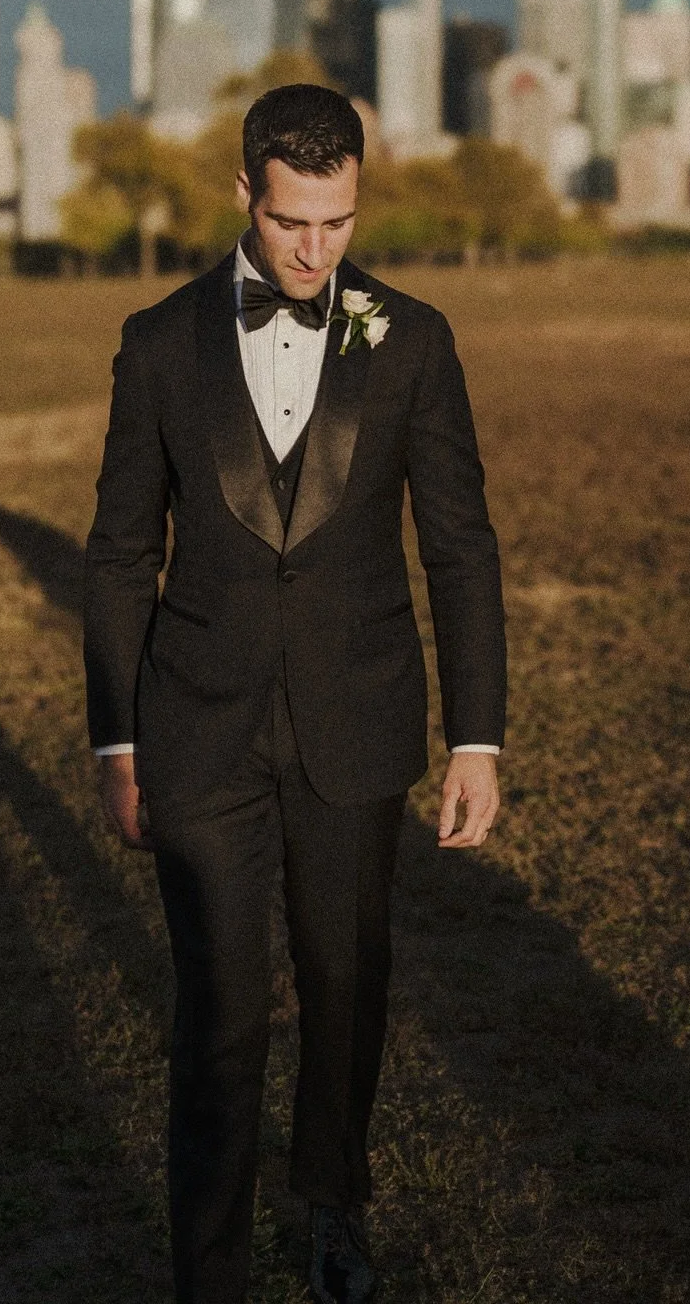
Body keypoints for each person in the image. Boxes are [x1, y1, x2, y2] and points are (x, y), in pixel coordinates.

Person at [83, 84, 507, 1304]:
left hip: (358, 719)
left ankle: (335, 1206)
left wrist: (478, 736)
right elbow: (119, 554)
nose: (317, 253)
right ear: (244, 197)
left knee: (344, 982)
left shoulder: (412, 338)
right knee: (218, 1011)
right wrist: (117, 741)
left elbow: (461, 545)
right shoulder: (157, 343)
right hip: (195, 728)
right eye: (291, 226)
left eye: (339, 224)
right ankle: (204, 1269)